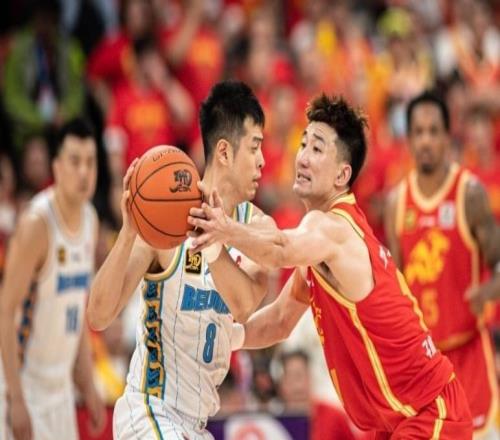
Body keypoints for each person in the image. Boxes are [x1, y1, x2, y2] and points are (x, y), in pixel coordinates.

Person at [188, 94, 473, 438]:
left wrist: (223, 229)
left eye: (317, 149)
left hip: (430, 413)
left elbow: (279, 249)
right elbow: (279, 322)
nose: (303, 158)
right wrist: (224, 338)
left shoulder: (333, 228)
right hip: (396, 421)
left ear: (342, 174)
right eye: (303, 144)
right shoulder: (318, 246)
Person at [88, 80, 270, 439]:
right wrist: (128, 232)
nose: (263, 160)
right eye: (254, 147)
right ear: (224, 152)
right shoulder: (164, 222)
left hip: (195, 425)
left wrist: (213, 244)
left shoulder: (257, 228)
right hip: (149, 411)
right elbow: (98, 315)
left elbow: (245, 304)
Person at [384, 91, 500, 438]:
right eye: (418, 132)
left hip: (469, 354)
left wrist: (489, 291)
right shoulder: (396, 203)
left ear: (448, 137)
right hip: (424, 364)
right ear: (408, 140)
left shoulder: (470, 193)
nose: (426, 141)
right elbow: (396, 289)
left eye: (433, 131)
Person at [0, 119, 105, 440]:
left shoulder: (90, 220)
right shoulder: (37, 224)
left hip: (61, 393)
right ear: (57, 167)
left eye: (90, 162)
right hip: (25, 386)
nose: (84, 172)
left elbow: (76, 313)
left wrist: (88, 384)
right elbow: (5, 311)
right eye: (75, 161)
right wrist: (15, 398)